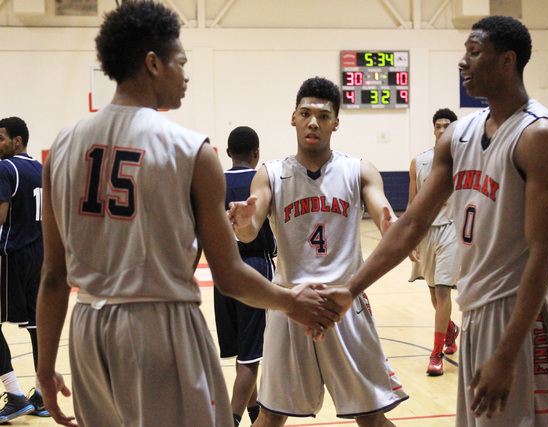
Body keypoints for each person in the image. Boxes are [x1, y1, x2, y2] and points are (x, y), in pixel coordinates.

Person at [35, 3, 342, 427]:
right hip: (160, 326)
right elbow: (230, 276)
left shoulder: (63, 146)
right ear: (153, 64)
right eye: (181, 62)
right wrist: (292, 302)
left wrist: (45, 366)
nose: (186, 73)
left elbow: (53, 274)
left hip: (87, 331)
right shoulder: (190, 150)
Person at [330, 16, 548, 426]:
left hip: (521, 315)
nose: (462, 62)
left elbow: (545, 253)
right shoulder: (458, 137)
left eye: (474, 52)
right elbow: (412, 225)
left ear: (507, 61)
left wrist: (506, 353)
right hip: (476, 311)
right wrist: (349, 291)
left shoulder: (540, 135)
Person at [228, 76, 409, 427]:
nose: (314, 122)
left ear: (336, 123)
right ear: (293, 118)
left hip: (343, 302)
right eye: (306, 113)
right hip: (289, 302)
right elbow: (251, 232)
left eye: (324, 116)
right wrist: (245, 222)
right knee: (271, 414)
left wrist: (389, 224)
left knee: (371, 416)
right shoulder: (271, 174)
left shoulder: (359, 170)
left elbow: (382, 210)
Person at [217, 126, 274, 427]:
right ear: (257, 153)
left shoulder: (214, 182)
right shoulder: (261, 180)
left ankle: (256, 419)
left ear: (228, 153)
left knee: (242, 353)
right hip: (255, 268)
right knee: (250, 358)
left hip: (222, 272)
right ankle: (229, 421)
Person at [0, 117, 50, 422]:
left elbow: (0, 217)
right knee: (37, 329)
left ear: (17, 140)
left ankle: (15, 394)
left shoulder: (6, 168)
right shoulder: (42, 170)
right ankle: (42, 396)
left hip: (13, 257)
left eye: (0, 137)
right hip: (41, 256)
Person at [408, 108, 460, 376]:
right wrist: (410, 240)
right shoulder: (420, 161)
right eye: (437, 126)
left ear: (454, 129)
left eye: (446, 125)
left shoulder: (464, 158)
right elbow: (413, 204)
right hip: (427, 231)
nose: (441, 130)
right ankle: (450, 329)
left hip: (453, 229)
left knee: (442, 291)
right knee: (433, 294)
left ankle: (436, 352)